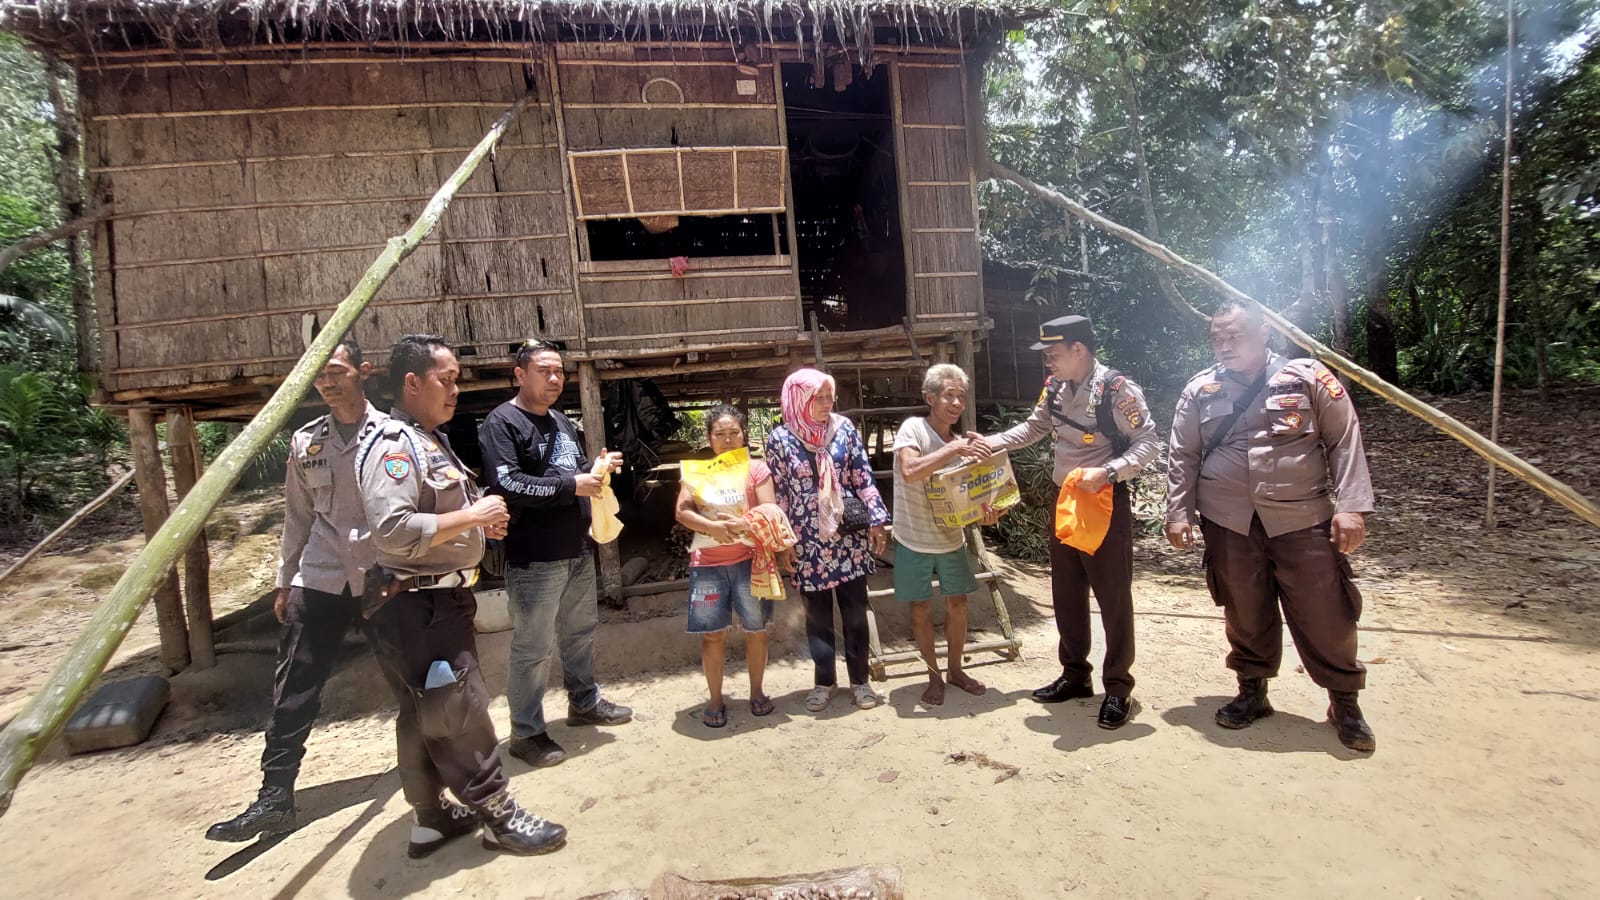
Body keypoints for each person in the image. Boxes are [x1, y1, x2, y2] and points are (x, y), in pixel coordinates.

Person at [357, 334, 566, 856]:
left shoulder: (428, 438)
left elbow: (434, 516)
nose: (455, 391)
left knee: (422, 710)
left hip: (421, 602)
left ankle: (430, 818)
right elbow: (393, 528)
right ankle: (500, 816)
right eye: (445, 381)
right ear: (411, 383)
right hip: (421, 605)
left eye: (456, 381)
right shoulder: (395, 446)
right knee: (460, 710)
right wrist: (473, 516)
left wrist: (475, 530)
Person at [1166, 299, 1377, 752]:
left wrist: (1352, 506)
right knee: (1244, 609)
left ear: (1264, 333)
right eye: (1217, 338)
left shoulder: (1308, 377)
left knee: (1327, 611)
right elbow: (1182, 455)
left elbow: (1344, 440)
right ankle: (1252, 691)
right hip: (1228, 520)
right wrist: (1178, 511)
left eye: (1234, 336)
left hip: (1302, 517)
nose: (1224, 345)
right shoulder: (1199, 389)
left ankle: (1344, 701)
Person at [206, 337, 386, 843]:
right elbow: (297, 516)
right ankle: (274, 798)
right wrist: (284, 582)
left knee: (414, 678)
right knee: (293, 689)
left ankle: (440, 773)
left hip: (381, 576)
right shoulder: (305, 442)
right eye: (318, 375)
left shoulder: (396, 436)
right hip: (321, 575)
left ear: (362, 371)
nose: (326, 382)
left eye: (335, 370)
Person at [978, 315, 1159, 729]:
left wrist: (1110, 472)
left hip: (1104, 501)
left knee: (1113, 598)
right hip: (1067, 501)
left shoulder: (1118, 390)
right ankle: (1075, 675)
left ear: (1079, 350)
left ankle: (1118, 688)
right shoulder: (1056, 387)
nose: (1048, 363)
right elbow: (1035, 428)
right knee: (1067, 590)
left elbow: (1148, 442)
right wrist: (988, 443)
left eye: (1054, 355)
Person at [477, 340, 630, 770]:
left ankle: (584, 703)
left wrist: (597, 468)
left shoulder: (561, 420)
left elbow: (575, 470)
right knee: (534, 647)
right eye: (544, 370)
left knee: (579, 632)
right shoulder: (501, 423)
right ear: (519, 374)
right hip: (535, 557)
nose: (555, 378)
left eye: (560, 371)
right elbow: (508, 485)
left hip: (575, 549)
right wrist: (572, 486)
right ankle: (526, 732)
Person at [765, 367, 891, 713]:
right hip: (807, 541)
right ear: (798, 398)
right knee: (817, 615)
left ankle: (861, 682)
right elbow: (780, 495)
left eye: (828, 395)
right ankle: (824, 681)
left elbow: (861, 475)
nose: (825, 402)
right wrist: (783, 543)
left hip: (846, 537)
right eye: (816, 396)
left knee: (854, 611)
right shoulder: (780, 439)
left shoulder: (844, 429)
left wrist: (877, 520)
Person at [891, 364, 991, 706]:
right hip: (912, 537)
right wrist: (954, 449)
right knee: (919, 608)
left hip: (951, 539)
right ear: (930, 397)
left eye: (961, 396)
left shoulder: (962, 444)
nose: (956, 403)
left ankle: (955, 671)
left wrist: (988, 509)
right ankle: (933, 676)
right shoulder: (913, 430)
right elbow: (909, 471)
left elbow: (975, 495)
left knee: (958, 604)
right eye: (949, 395)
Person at [674, 406, 779, 727]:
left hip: (751, 562)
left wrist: (742, 522)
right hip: (707, 565)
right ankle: (716, 699)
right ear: (709, 439)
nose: (728, 439)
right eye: (720, 434)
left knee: (757, 631)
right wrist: (712, 527)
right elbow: (682, 512)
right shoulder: (696, 472)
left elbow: (770, 509)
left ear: (743, 435)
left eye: (734, 432)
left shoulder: (756, 470)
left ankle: (757, 692)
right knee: (712, 636)